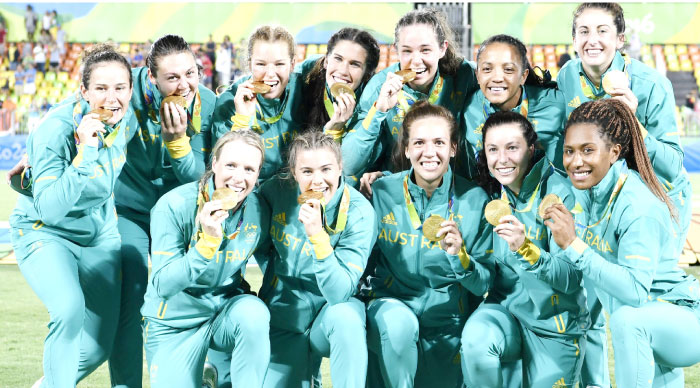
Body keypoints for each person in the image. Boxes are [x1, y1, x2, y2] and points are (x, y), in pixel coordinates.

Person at [556, 4, 693, 386]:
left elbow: (671, 164)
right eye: (583, 31)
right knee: (591, 302)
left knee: (641, 305)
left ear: (620, 39)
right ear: (574, 39)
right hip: (601, 202)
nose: (591, 39)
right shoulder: (568, 76)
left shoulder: (650, 84)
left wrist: (636, 123)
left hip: (655, 205)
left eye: (602, 30)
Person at [549, 98, 700, 388]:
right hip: (650, 331)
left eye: (587, 150)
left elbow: (634, 291)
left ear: (615, 152)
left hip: (680, 321)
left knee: (626, 320)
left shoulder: (637, 205)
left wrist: (574, 246)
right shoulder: (587, 194)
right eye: (569, 151)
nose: (575, 161)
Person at [9, 44, 134, 387]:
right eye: (101, 88)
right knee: (68, 309)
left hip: (100, 234)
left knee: (97, 346)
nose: (112, 98)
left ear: (131, 89)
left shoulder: (130, 115)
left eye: (120, 88)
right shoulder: (55, 130)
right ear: (83, 90)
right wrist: (85, 152)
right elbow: (50, 208)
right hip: (45, 231)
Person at [110, 34, 218, 388]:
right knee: (131, 292)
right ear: (151, 77)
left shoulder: (210, 104)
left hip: (180, 216)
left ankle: (200, 373)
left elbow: (201, 181)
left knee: (194, 288)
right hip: (132, 212)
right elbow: (76, 112)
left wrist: (177, 144)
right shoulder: (125, 96)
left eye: (191, 73)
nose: (185, 84)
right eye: (173, 77)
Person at [365, 101, 493, 387]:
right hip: (390, 313)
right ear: (406, 149)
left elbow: (484, 284)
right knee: (399, 325)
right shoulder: (382, 191)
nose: (430, 152)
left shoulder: (474, 200)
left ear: (453, 148)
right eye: (419, 142)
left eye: (439, 142)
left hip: (447, 326)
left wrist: (461, 258)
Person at [462, 111, 588, 388]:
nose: (502, 159)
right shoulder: (492, 193)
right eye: (493, 149)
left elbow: (572, 278)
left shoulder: (561, 193)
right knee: (475, 339)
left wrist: (526, 248)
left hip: (554, 327)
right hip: (505, 314)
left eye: (512, 148)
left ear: (531, 149)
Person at [141, 130, 271, 387]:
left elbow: (274, 265)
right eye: (231, 165)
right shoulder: (174, 205)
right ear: (214, 164)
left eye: (249, 169)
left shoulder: (259, 210)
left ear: (257, 176)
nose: (239, 177)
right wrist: (207, 244)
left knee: (254, 313)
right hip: (174, 320)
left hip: (224, 314)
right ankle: (203, 379)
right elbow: (163, 286)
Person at [256, 130, 377, 388]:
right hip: (285, 314)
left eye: (326, 169)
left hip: (330, 313)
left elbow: (339, 292)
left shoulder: (360, 212)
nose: (318, 181)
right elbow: (257, 243)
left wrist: (318, 237)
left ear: (340, 167)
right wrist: (276, 278)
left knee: (346, 318)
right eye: (307, 171)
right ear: (293, 171)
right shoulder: (275, 191)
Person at [341, 8, 479, 188]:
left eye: (425, 50)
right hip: (401, 196)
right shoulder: (379, 87)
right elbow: (348, 165)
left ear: (442, 48)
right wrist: (379, 110)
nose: (416, 61)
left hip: (459, 193)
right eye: (407, 51)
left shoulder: (466, 76)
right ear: (396, 50)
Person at [461, 34, 567, 177]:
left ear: (523, 76)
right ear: (477, 75)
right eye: (487, 69)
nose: (497, 78)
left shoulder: (557, 104)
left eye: (508, 69)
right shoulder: (467, 109)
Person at [212, 25, 306, 182]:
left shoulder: (304, 89)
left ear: (292, 64)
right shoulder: (229, 102)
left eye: (279, 64)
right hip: (250, 193)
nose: (269, 74)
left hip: (296, 191)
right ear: (249, 64)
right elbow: (224, 172)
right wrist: (242, 121)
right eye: (261, 64)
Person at [300, 27, 380, 142]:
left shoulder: (374, 104)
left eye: (355, 64)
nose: (343, 71)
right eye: (338, 59)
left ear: (367, 74)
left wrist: (334, 131)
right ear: (326, 61)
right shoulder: (305, 76)